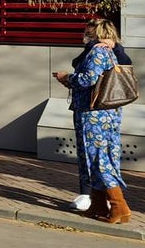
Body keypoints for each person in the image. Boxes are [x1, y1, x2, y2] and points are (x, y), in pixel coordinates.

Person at [53, 18, 134, 224]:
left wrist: (67, 78)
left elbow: (88, 79)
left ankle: (119, 206)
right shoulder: (104, 50)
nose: (83, 31)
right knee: (92, 157)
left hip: (95, 114)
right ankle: (98, 206)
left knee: (99, 158)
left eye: (87, 28)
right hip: (100, 112)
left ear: (95, 32)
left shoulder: (98, 51)